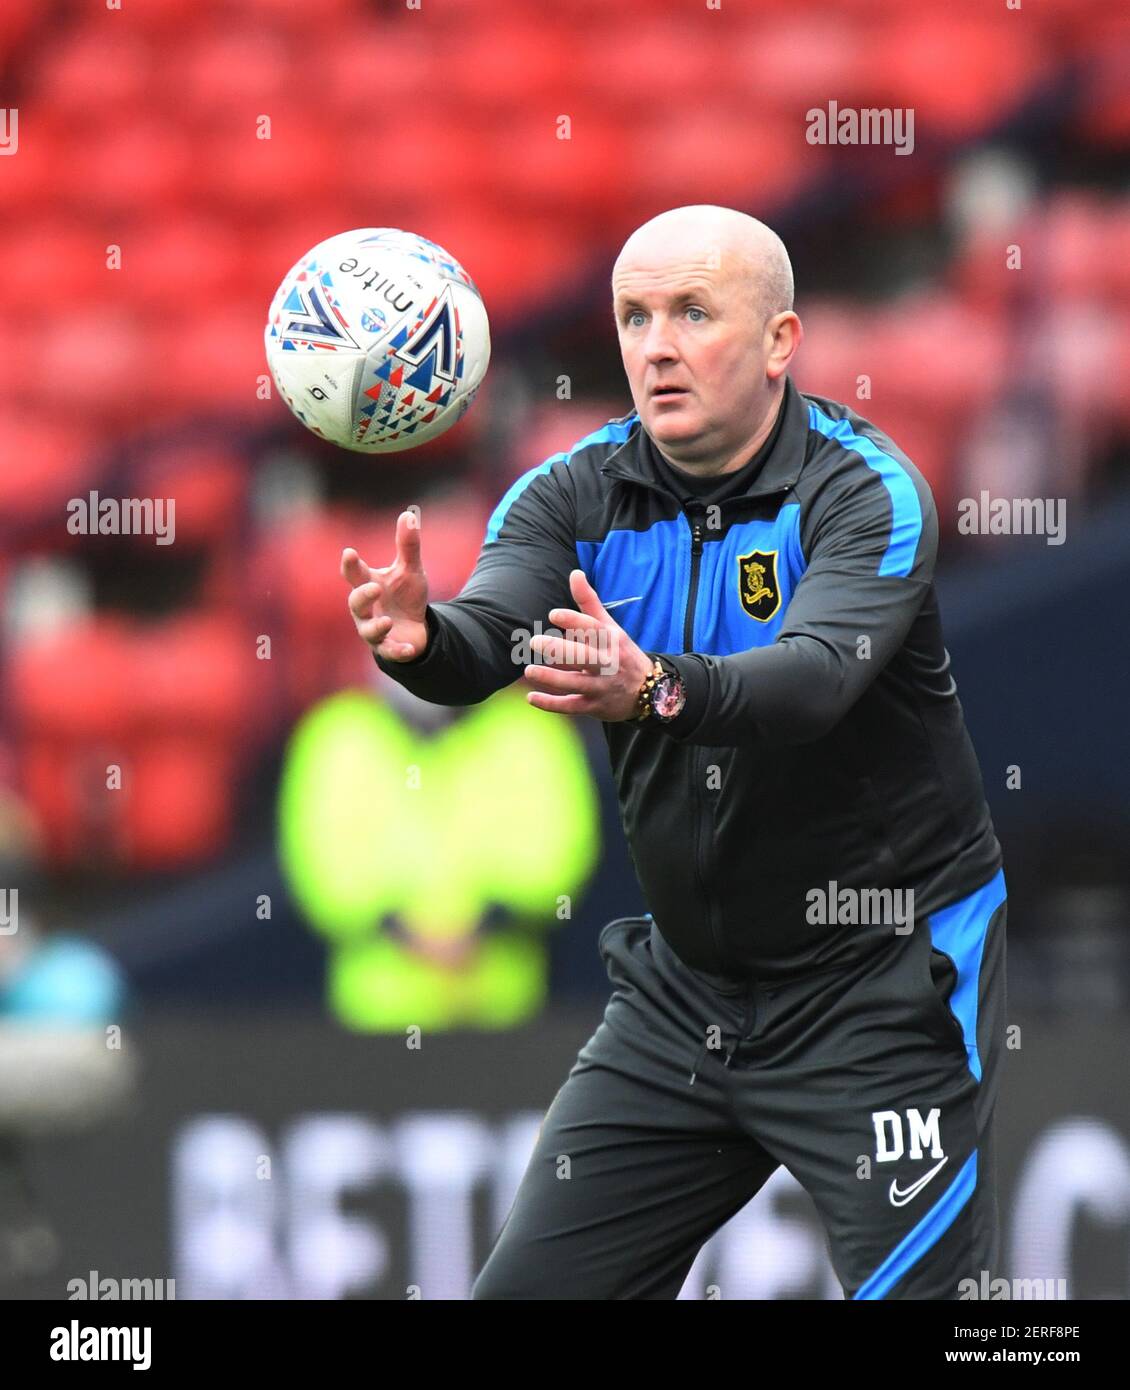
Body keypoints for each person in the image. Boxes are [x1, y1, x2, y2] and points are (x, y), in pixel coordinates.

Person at [340, 204, 1007, 1300]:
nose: (654, 344)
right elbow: (493, 629)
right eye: (633, 316)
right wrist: (423, 643)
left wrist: (650, 685)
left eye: (692, 312)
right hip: (685, 996)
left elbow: (811, 683)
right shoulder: (570, 490)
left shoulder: (861, 490)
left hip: (878, 986)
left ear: (779, 341)